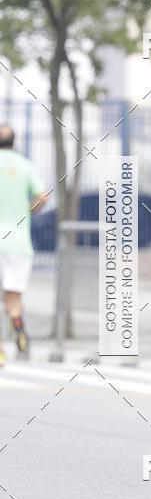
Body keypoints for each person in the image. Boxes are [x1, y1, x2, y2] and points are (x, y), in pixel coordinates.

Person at [0, 125, 47, 364]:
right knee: (12, 297)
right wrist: (27, 212)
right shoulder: (25, 166)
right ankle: (19, 330)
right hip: (18, 242)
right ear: (14, 141)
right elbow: (42, 197)